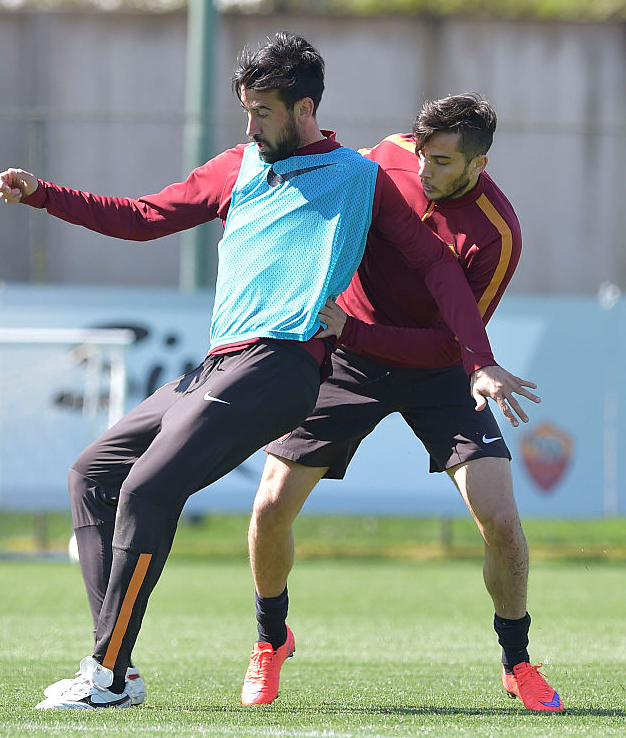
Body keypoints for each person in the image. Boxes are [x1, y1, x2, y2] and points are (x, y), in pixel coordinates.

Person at [0, 35, 527, 710]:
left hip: (283, 362)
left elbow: (436, 266)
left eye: (263, 112)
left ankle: (104, 676)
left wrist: (479, 362)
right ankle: (118, 669)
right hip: (220, 363)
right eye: (245, 110)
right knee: (94, 475)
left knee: (149, 492)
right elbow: (145, 216)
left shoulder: (359, 177)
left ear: (304, 108)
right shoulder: (238, 164)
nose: (250, 126)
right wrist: (46, 195)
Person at [240, 93, 563, 713]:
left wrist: (475, 365)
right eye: (423, 154)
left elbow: (452, 338)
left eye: (444, 162)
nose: (425, 172)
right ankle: (269, 640)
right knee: (270, 506)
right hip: (347, 360)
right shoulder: (383, 158)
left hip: (439, 373)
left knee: (500, 520)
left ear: (480, 163)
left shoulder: (497, 234)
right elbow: (321, 201)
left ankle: (517, 661)